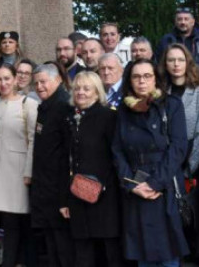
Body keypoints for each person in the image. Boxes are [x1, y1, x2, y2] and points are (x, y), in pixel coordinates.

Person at [112, 58, 189, 267]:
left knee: (167, 255)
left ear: (156, 79)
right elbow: (117, 150)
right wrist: (131, 185)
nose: (142, 81)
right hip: (136, 185)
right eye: (136, 76)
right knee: (143, 255)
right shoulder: (123, 110)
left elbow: (178, 147)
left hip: (163, 185)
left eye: (147, 76)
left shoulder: (171, 105)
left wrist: (155, 183)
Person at [59, 71, 121, 267]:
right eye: (77, 88)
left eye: (87, 88)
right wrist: (64, 199)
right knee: (83, 252)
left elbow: (116, 157)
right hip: (77, 195)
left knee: (110, 252)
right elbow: (65, 161)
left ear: (97, 92)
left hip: (105, 195)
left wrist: (103, 186)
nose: (81, 92)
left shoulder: (108, 117)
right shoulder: (69, 119)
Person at [0, 63, 37, 267]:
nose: (3, 83)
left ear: (15, 79)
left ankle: (20, 261)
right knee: (7, 222)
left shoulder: (28, 104)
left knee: (21, 221)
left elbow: (33, 139)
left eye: (7, 78)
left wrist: (29, 170)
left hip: (19, 170)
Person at [30, 63, 73, 267]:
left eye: (43, 82)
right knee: (52, 248)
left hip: (59, 190)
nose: (39, 86)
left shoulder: (64, 106)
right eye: (36, 82)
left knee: (64, 249)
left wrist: (64, 197)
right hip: (45, 190)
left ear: (57, 80)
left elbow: (67, 155)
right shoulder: (46, 106)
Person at [159, 45, 199, 179]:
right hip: (163, 161)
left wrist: (189, 169)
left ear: (187, 63)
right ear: (165, 64)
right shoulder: (160, 93)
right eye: (171, 60)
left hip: (191, 162)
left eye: (181, 60)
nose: (176, 64)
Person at [156, 8, 199, 89]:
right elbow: (158, 65)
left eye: (186, 19)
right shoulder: (166, 41)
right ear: (175, 22)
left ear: (192, 22)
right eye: (179, 19)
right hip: (171, 89)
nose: (183, 22)